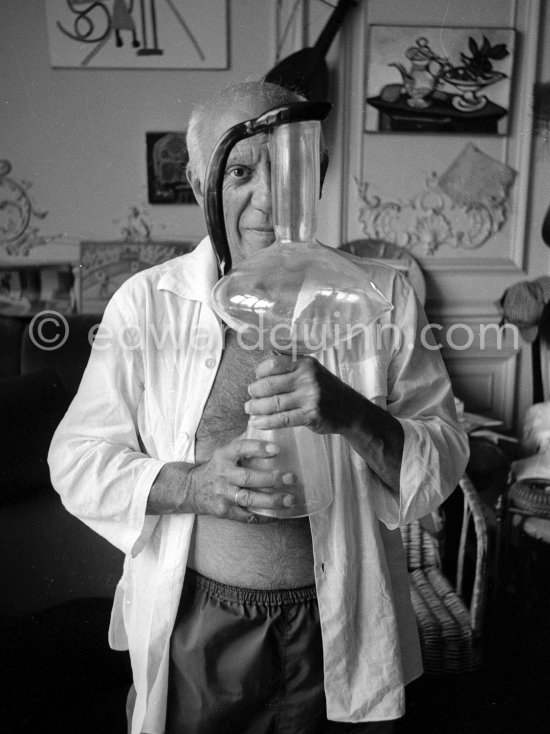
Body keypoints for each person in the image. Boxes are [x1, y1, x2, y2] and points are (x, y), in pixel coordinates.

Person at [48, 80, 469, 734]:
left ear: (319, 175)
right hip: (199, 626)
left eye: (290, 171)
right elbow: (75, 461)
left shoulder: (383, 297)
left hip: (342, 626)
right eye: (240, 170)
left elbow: (443, 458)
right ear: (197, 183)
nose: (268, 199)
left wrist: (352, 414)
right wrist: (197, 486)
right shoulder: (146, 303)